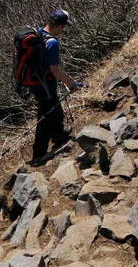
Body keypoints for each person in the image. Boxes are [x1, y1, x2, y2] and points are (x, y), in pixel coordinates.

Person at [30, 9, 82, 166]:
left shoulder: (38, 34)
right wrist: (71, 84)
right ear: (59, 26)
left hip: (36, 83)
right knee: (45, 117)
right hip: (45, 85)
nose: (63, 30)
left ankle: (58, 134)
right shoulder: (51, 43)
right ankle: (38, 156)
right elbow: (55, 70)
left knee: (54, 110)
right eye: (64, 27)